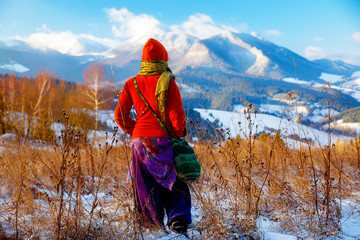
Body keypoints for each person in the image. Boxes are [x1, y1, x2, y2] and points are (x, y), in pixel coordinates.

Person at [114, 38, 191, 234]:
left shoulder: (131, 83)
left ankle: (151, 227)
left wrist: (137, 132)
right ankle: (177, 219)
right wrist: (180, 133)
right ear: (163, 58)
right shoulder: (168, 81)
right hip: (164, 140)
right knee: (175, 180)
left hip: (139, 142)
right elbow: (176, 116)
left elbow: (119, 116)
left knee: (144, 185)